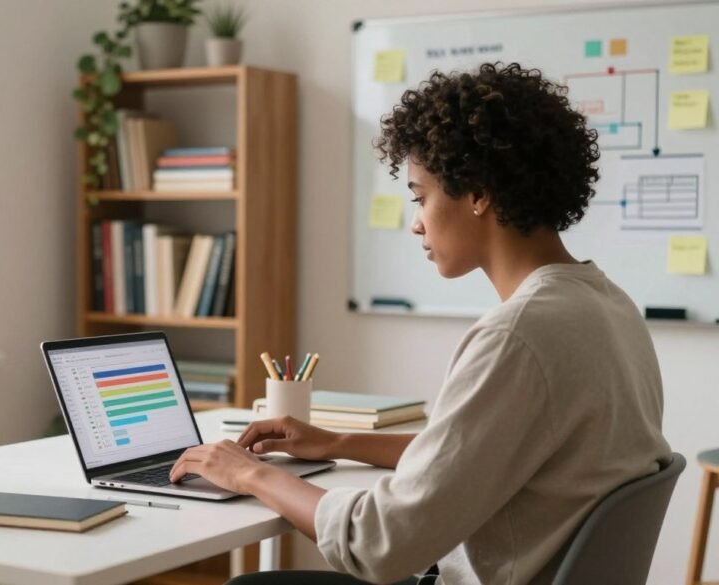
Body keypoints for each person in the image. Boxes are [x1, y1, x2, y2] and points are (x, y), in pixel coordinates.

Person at [168, 62, 671, 585]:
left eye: (420, 195)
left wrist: (248, 473)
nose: (416, 222)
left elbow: (379, 543)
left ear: (478, 193)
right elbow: (472, 459)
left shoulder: (518, 336)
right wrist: (338, 444)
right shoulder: (608, 307)